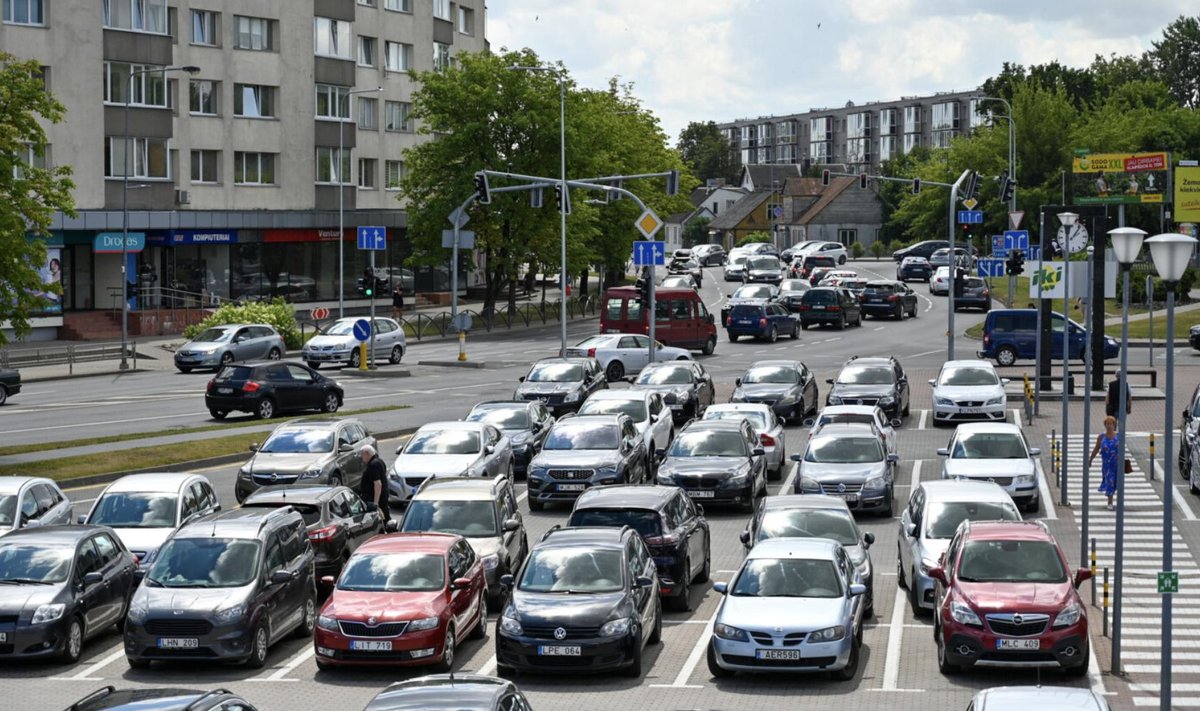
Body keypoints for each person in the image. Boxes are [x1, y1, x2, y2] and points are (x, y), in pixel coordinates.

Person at [1088, 415, 1121, 510]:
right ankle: (1110, 502)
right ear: (1105, 425)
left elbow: (1122, 450)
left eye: (1111, 424)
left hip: (1117, 464)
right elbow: (1096, 448)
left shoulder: (1118, 436)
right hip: (1107, 465)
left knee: (1116, 483)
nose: (1109, 426)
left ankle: (1116, 500)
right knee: (1109, 481)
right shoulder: (1101, 437)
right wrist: (1091, 459)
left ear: (1114, 425)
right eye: (1107, 424)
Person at [359, 445, 390, 521]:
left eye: (362, 455)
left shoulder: (373, 465)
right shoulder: (379, 461)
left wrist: (375, 504)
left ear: (366, 453)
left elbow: (378, 484)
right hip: (383, 496)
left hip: (377, 498)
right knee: (385, 516)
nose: (361, 457)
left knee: (382, 519)